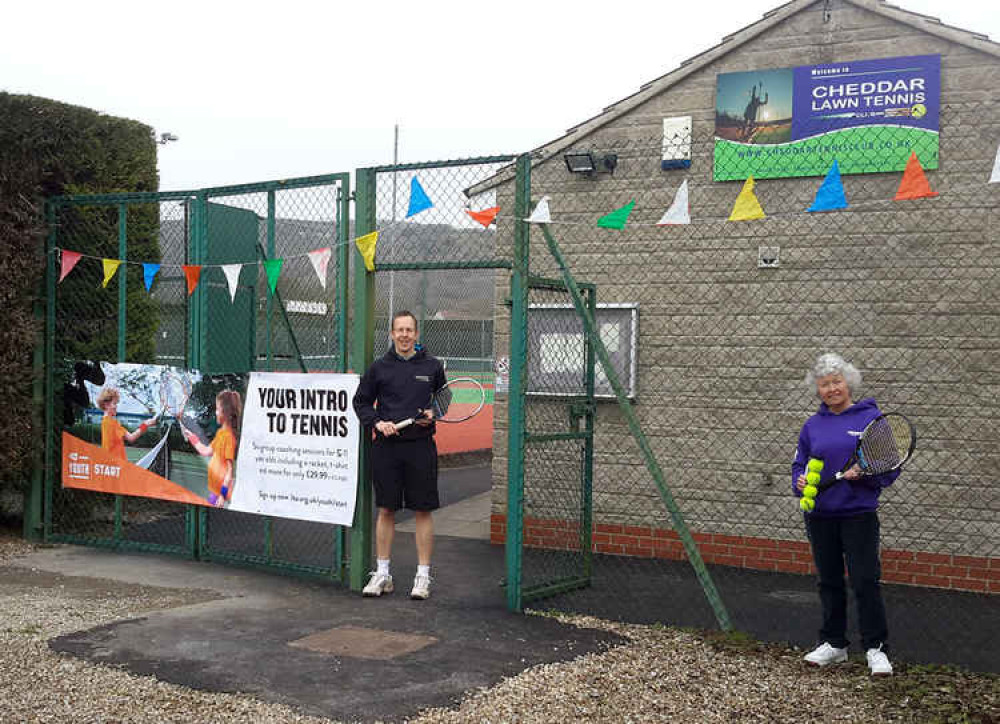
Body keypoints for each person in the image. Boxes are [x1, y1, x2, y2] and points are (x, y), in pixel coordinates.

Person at [792, 353, 899, 676]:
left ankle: (875, 649)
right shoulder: (813, 425)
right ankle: (834, 644)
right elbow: (800, 463)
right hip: (821, 515)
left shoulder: (871, 420)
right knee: (829, 581)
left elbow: (889, 468)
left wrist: (864, 473)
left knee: (865, 581)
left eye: (836, 382)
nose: (831, 389)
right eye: (824, 385)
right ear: (818, 390)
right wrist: (799, 481)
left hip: (858, 515)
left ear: (848, 383)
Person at [352, 310, 447, 600]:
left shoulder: (432, 366)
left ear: (416, 334)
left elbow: (444, 396)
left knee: (422, 510)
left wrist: (435, 413)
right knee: (386, 510)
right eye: (399, 330)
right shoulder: (379, 367)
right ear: (392, 334)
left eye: (409, 330)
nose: (404, 335)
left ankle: (423, 576)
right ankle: (383, 574)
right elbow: (361, 402)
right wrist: (378, 423)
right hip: (386, 448)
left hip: (421, 447)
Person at [185, 390, 242, 508]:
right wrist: (193, 439)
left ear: (225, 413)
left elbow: (229, 471)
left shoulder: (228, 438)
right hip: (215, 492)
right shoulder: (221, 433)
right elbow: (206, 451)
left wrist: (222, 494)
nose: (215, 412)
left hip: (219, 496)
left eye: (217, 409)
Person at [96, 387, 157, 462]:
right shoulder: (111, 422)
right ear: (106, 405)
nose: (116, 407)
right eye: (114, 403)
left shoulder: (107, 422)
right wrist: (146, 424)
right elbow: (131, 438)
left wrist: (146, 424)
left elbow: (130, 438)